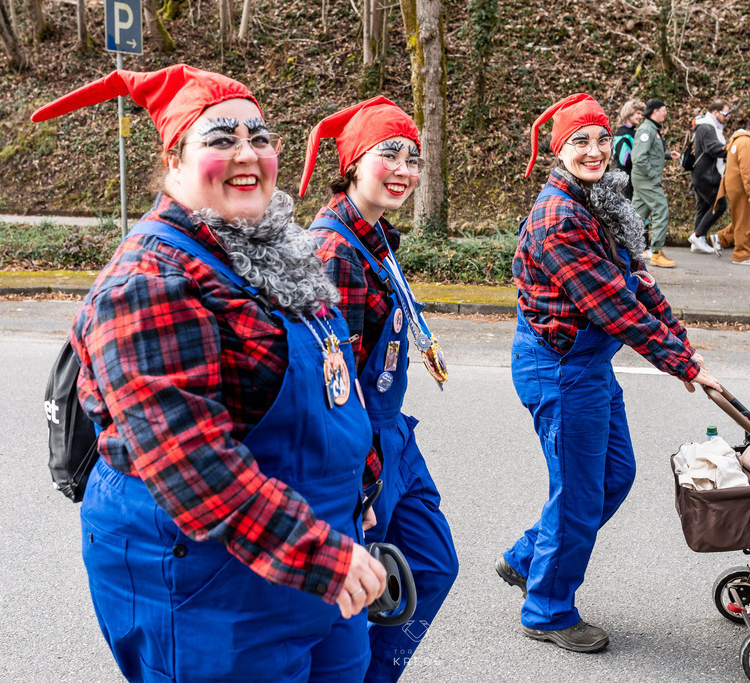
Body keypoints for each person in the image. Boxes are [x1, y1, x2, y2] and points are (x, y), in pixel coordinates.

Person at [31, 64, 388, 682]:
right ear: (174, 160)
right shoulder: (148, 282)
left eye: (259, 137)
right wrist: (320, 552)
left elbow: (333, 384)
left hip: (315, 554)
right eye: (222, 139)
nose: (247, 154)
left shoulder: (275, 248)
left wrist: (360, 488)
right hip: (216, 585)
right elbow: (190, 463)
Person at [499, 93, 720, 654]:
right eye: (580, 141)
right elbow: (613, 306)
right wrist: (680, 363)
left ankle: (526, 559)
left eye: (601, 138)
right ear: (560, 150)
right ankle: (547, 609)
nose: (594, 150)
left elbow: (637, 283)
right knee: (578, 494)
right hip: (561, 370)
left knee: (614, 476)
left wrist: (685, 348)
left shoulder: (600, 200)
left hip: (589, 365)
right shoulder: (559, 218)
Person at [299, 96, 459, 683]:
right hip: (361, 448)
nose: (404, 170)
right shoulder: (334, 252)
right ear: (351, 164)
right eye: (388, 153)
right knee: (354, 596)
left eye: (413, 158)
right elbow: (332, 387)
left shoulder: (376, 239)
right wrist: (362, 485)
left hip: (393, 438)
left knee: (433, 565)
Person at [631, 98, 681, 268]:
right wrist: (653, 176)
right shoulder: (646, 130)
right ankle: (657, 253)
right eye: (663, 110)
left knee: (637, 215)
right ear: (655, 112)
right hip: (646, 180)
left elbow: (650, 153)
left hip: (644, 179)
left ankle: (623, 247)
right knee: (661, 209)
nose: (666, 113)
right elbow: (638, 158)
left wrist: (667, 155)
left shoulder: (652, 129)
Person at [714, 115, 750, 265]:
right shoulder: (746, 143)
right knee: (745, 222)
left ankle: (721, 238)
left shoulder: (740, 140)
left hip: (736, 185)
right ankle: (741, 255)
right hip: (742, 187)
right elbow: (746, 168)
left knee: (741, 218)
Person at [688, 101, 732, 255]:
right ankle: (697, 236)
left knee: (704, 207)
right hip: (707, 175)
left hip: (701, 174)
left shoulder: (708, 126)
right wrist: (732, 149)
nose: (727, 117)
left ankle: (698, 241)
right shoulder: (707, 127)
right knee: (719, 205)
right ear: (715, 113)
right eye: (725, 114)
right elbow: (712, 148)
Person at [611, 99, 645, 202]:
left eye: (641, 114)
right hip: (625, 183)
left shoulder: (632, 132)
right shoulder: (623, 134)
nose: (641, 116)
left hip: (634, 181)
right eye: (638, 113)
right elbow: (625, 160)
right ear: (629, 113)